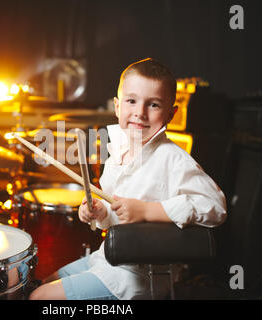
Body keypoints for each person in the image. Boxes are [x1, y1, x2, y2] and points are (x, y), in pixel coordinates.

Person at [28, 58, 227, 300]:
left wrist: (148, 211)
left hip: (137, 278)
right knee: (44, 282)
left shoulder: (174, 159)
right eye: (131, 101)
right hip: (107, 258)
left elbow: (216, 207)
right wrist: (99, 213)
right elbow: (116, 216)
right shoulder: (118, 150)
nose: (140, 113)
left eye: (153, 104)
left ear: (171, 113)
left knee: (39, 298)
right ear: (117, 106)